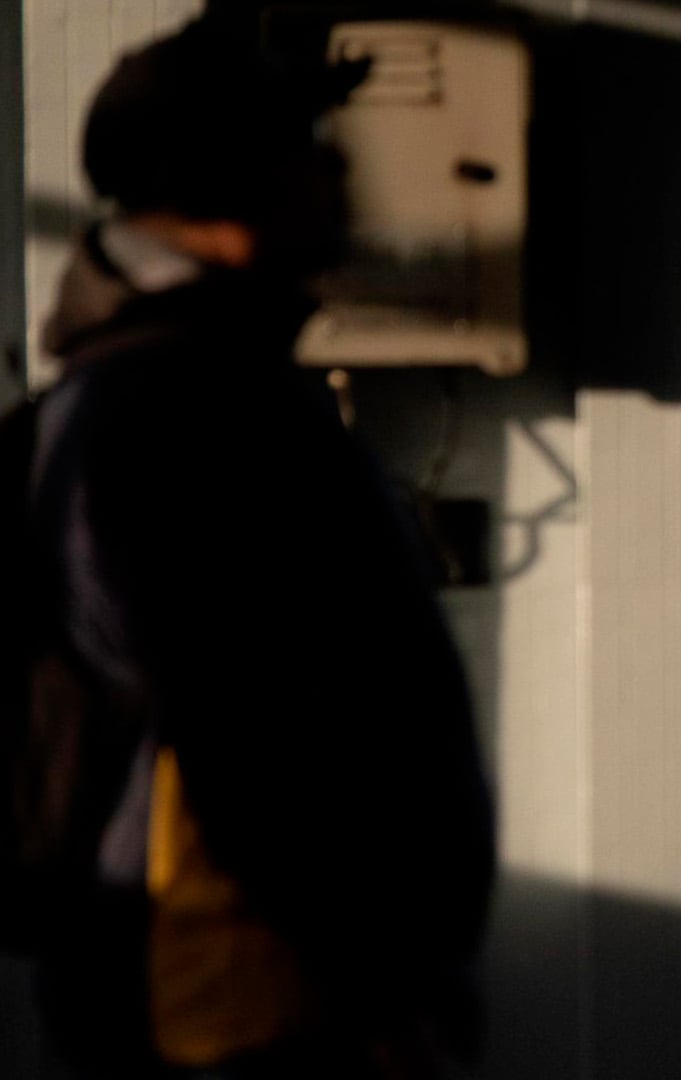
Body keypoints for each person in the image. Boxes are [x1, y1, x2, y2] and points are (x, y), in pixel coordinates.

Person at [0, 19, 494, 1078]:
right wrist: (374, 1008)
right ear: (225, 183)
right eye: (305, 139)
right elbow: (256, 743)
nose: (337, 165)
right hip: (248, 1021)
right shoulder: (184, 411)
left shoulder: (167, 388)